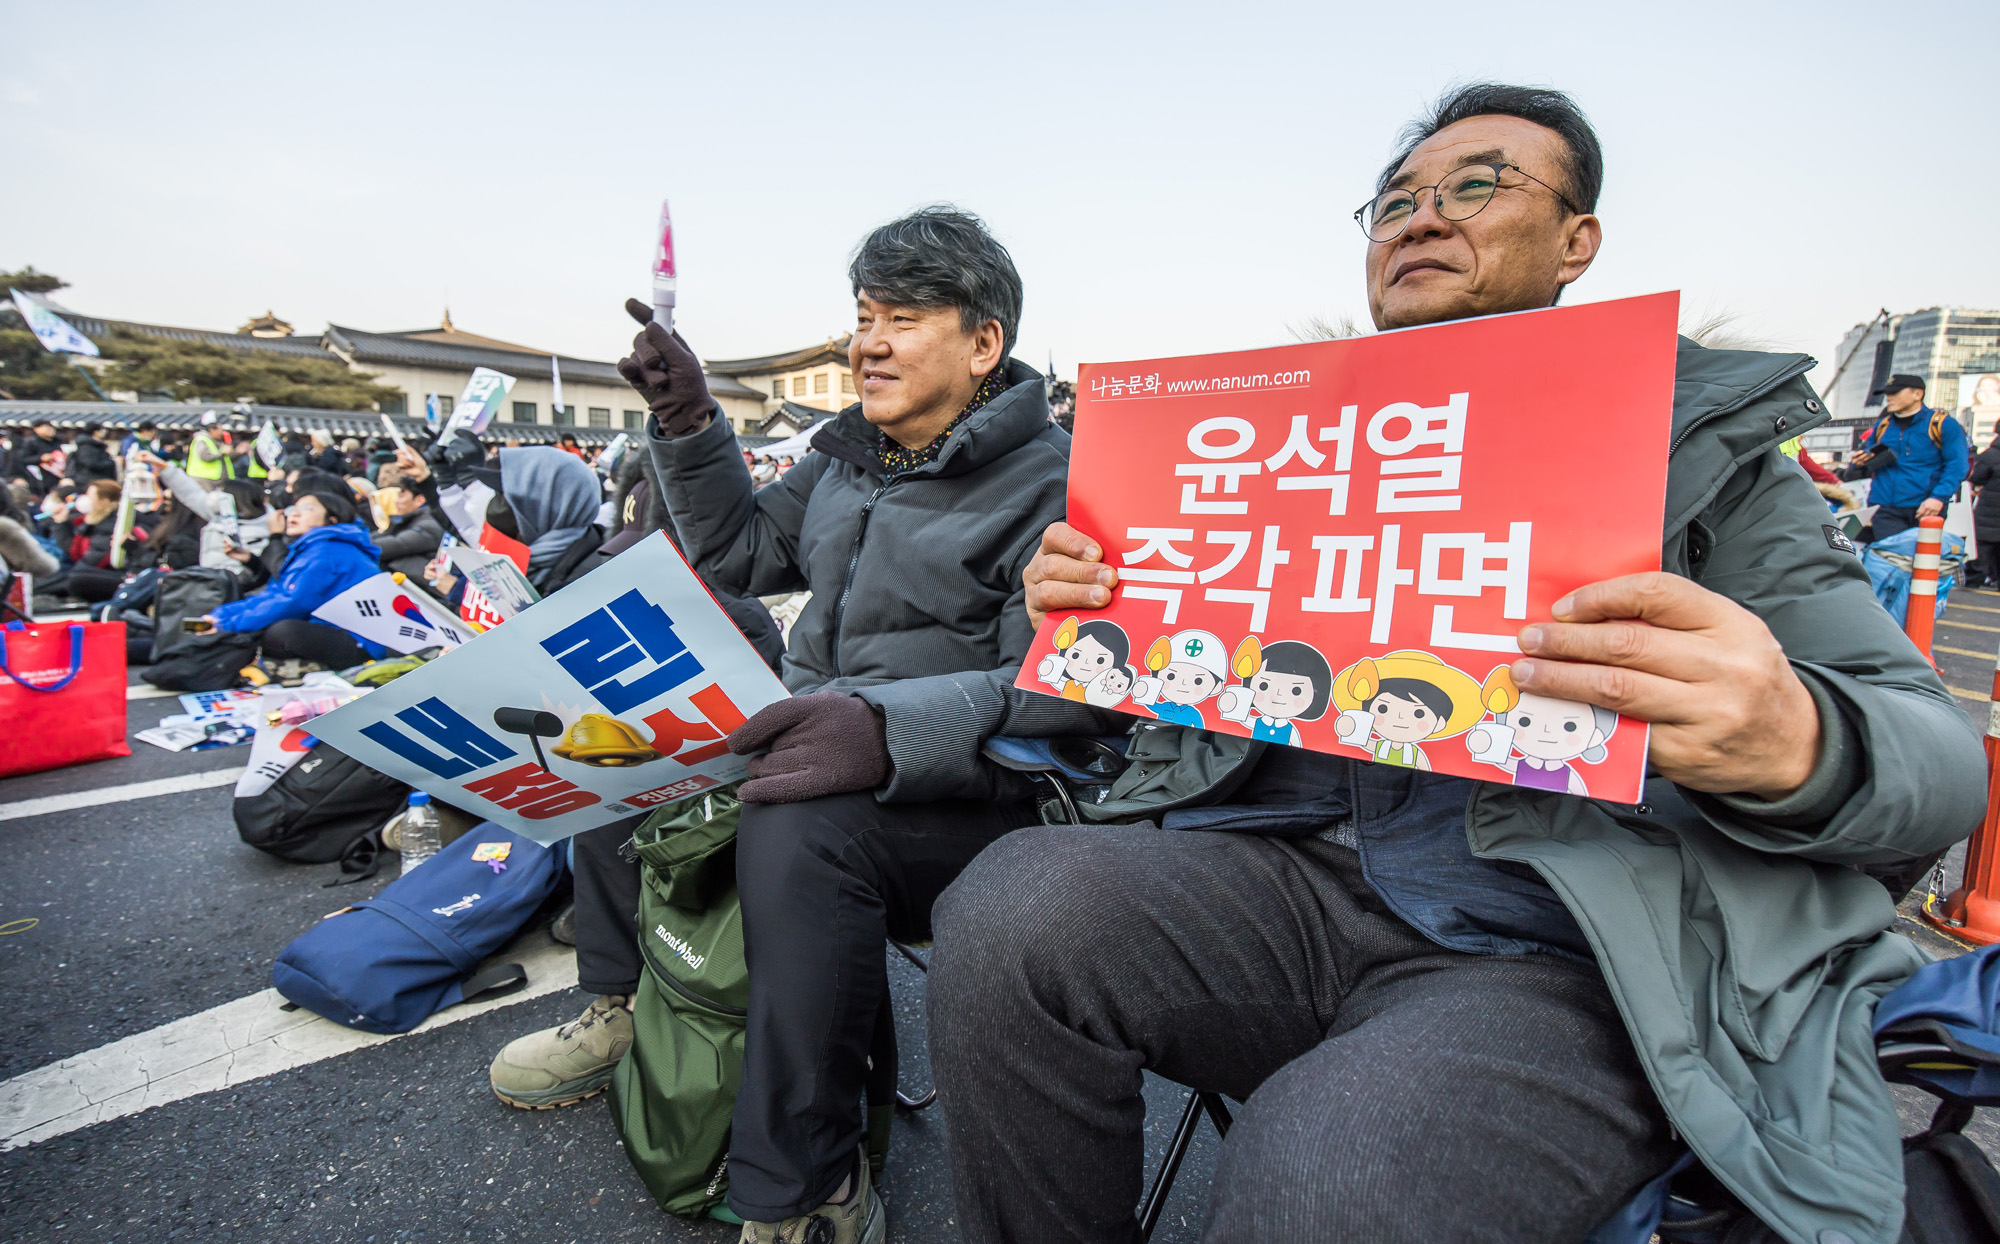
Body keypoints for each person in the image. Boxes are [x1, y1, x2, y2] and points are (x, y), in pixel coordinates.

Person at [927, 83, 1986, 1244]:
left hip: (1558, 945)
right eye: (1392, 202)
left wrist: (1797, 738)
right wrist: (1080, 621)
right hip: (1273, 878)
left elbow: (1933, 757)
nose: (1420, 219)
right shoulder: (1269, 452)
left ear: (1577, 239)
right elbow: (1107, 712)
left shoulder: (1696, 451)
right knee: (1010, 904)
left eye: (1477, 184)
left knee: (1330, 1173)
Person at [484, 206, 1101, 1244]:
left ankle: (804, 1181)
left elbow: (1056, 696)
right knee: (622, 735)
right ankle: (621, 1005)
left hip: (966, 794)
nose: (866, 342)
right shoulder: (845, 454)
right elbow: (736, 552)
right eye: (862, 315)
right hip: (821, 738)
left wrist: (879, 726)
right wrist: (690, 424)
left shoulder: (1061, 481)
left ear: (982, 341)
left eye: (900, 317)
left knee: (796, 825)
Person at [197, 488, 387, 669]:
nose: (294, 514)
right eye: (293, 509)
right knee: (268, 625)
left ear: (332, 519)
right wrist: (221, 616)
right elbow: (276, 594)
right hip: (334, 630)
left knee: (281, 631)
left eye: (306, 509)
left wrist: (227, 624)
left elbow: (293, 603)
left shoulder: (328, 551)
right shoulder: (311, 548)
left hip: (362, 643)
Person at [1850, 374, 1968, 540]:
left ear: (1917, 394)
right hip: (1885, 507)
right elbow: (1869, 461)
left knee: (1923, 561)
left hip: (1926, 506)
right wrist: (1857, 464)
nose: (1888, 398)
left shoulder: (1944, 424)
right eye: (1887, 394)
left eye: (1895, 393)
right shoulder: (1882, 425)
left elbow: (1957, 465)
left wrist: (1938, 497)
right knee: (1889, 558)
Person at [372, 465, 444, 579]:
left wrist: (360, 545)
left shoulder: (431, 521)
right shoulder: (408, 520)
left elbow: (399, 543)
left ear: (420, 499)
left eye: (402, 495)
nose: (396, 501)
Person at [1968, 431, 2000, 588]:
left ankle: (1974, 581)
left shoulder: (1991, 455)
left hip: (1989, 511)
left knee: (1981, 548)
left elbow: (1976, 476)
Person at [186, 411, 233, 489]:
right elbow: (205, 456)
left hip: (209, 479)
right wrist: (222, 452)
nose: (222, 433)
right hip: (202, 479)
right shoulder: (202, 439)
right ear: (211, 430)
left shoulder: (212, 441)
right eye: (220, 430)